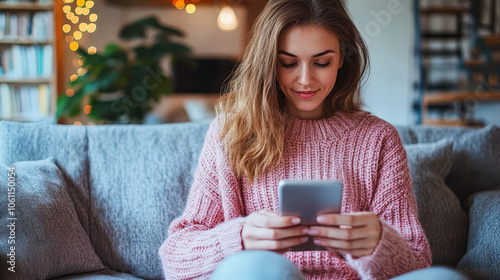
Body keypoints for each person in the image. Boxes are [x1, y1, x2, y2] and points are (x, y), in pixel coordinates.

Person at [158, 0, 469, 279]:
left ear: (343, 58)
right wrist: (238, 238)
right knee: (261, 269)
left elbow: (417, 261)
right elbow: (174, 256)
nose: (305, 79)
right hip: (266, 276)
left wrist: (379, 244)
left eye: (321, 62)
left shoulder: (378, 139)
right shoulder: (231, 133)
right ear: (269, 62)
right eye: (288, 62)